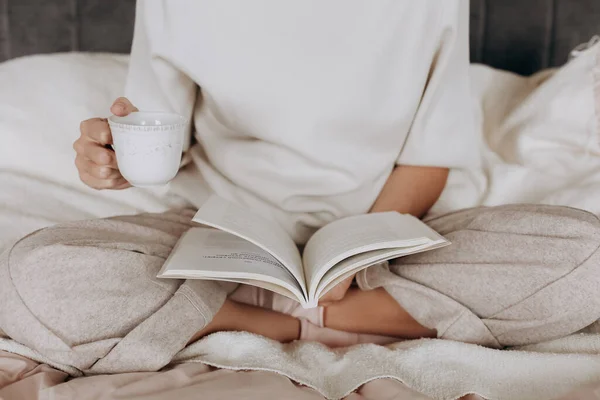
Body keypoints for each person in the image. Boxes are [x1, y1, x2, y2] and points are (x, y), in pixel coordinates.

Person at [1, 0, 600, 374]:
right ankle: (297, 322)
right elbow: (156, 138)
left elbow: (430, 158)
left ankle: (315, 311)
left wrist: (362, 248)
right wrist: (108, 159)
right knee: (33, 275)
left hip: (382, 240)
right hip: (217, 235)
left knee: (587, 254)